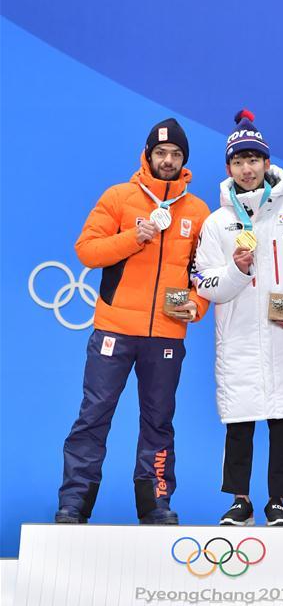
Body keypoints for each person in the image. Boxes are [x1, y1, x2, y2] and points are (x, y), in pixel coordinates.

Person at [55, 118, 210, 525]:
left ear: (184, 161)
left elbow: (203, 272)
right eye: (161, 153)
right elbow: (87, 250)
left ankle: (155, 503)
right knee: (94, 416)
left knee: (159, 422)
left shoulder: (197, 210)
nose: (168, 160)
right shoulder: (120, 197)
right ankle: (74, 503)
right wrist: (134, 238)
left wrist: (196, 305)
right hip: (114, 329)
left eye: (176, 155)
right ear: (147, 155)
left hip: (166, 334)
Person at [192, 110, 283, 527]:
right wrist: (236, 269)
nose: (247, 168)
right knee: (240, 420)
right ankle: (240, 500)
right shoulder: (218, 223)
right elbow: (203, 281)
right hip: (239, 335)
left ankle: (278, 501)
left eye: (254, 160)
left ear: (268, 164)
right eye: (238, 161)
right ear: (228, 168)